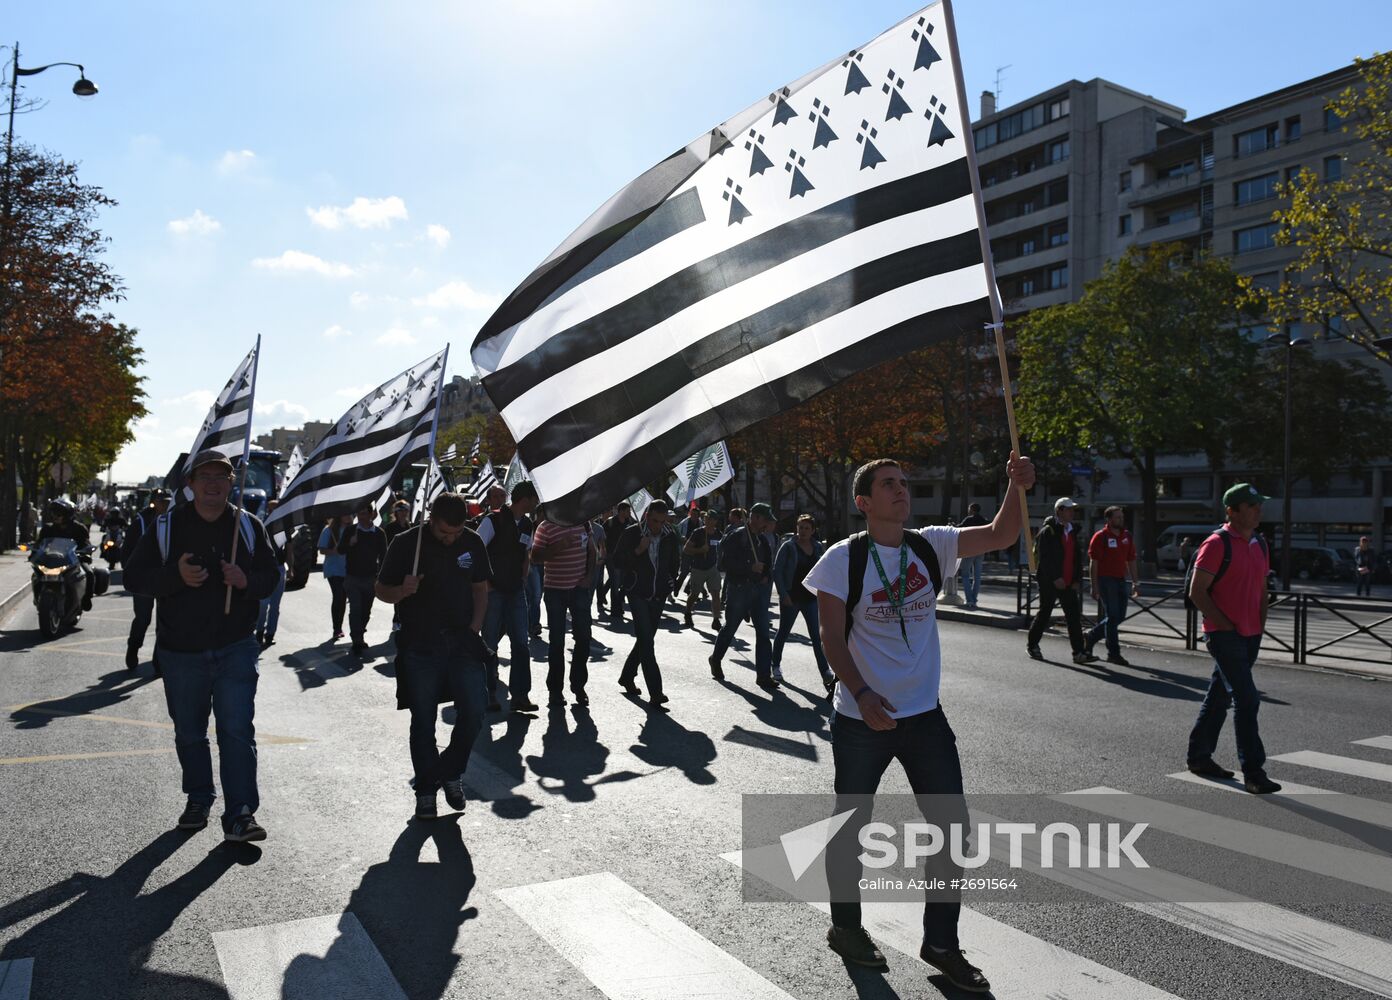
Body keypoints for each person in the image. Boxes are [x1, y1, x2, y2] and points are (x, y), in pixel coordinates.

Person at [803, 454, 1034, 993]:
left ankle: (941, 944)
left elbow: (1001, 534)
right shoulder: (843, 559)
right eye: (888, 485)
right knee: (852, 825)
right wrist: (861, 695)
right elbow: (831, 638)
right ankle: (846, 926)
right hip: (862, 717)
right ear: (864, 502)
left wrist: (1015, 486)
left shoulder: (931, 544)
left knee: (951, 829)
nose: (901, 491)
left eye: (904, 483)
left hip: (925, 716)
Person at [124, 450, 279, 842]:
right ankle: (198, 796)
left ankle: (241, 813)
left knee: (236, 730)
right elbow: (134, 577)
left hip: (236, 646)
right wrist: (174, 576)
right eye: (205, 476)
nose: (213, 483)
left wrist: (245, 581)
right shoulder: (165, 527)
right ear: (190, 484)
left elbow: (272, 575)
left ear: (232, 484)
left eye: (222, 477)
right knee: (190, 732)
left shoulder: (248, 526)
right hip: (181, 651)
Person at [375, 492, 494, 820]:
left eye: (456, 532)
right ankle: (426, 791)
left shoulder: (472, 542)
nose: (450, 538)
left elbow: (481, 588)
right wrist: (401, 591)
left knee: (475, 711)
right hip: (420, 644)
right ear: (431, 518)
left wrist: (475, 628)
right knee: (423, 720)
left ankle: (450, 771)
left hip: (462, 642)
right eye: (444, 532)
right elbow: (381, 588)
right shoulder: (405, 543)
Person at [1186, 483, 1280, 795]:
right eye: (1251, 506)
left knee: (1219, 696)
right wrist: (1224, 625)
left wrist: (1260, 625)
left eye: (1259, 505)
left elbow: (1262, 589)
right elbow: (1197, 591)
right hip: (1224, 635)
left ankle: (1199, 757)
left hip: (1250, 634)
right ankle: (1253, 771)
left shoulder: (1260, 543)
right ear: (1232, 511)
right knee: (1248, 699)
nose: (1258, 511)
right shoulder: (1217, 543)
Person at [478, 480, 540, 713]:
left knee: (521, 644)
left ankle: (520, 696)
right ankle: (488, 693)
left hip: (515, 592)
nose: (536, 504)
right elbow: (477, 550)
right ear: (525, 499)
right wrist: (485, 584)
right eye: (534, 499)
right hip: (493, 592)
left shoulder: (526, 524)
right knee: (490, 643)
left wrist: (523, 580)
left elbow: (526, 554)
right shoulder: (492, 520)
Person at [614, 498, 681, 708]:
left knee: (645, 639)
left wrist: (670, 581)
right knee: (647, 641)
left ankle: (627, 676)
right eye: (654, 521)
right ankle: (656, 692)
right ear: (646, 516)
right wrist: (637, 551)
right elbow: (616, 560)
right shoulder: (632, 533)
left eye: (662, 522)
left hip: (658, 595)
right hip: (637, 593)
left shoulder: (670, 536)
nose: (658, 526)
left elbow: (674, 563)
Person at [530, 509, 600, 706]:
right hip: (555, 590)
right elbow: (535, 557)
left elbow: (592, 552)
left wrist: (588, 578)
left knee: (584, 638)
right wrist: (558, 547)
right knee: (557, 642)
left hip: (579, 589)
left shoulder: (583, 523)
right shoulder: (545, 527)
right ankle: (555, 691)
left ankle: (578, 686)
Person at [709, 502, 778, 692]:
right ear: (755, 518)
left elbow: (769, 564)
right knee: (730, 628)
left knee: (764, 633)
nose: (766, 524)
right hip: (739, 589)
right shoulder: (736, 536)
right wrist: (749, 568)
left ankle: (764, 675)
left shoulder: (762, 540)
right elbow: (724, 564)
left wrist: (765, 576)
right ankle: (715, 659)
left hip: (759, 592)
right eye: (765, 519)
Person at [1026, 497, 1094, 664]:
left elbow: (1076, 558)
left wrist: (1078, 578)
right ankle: (1032, 645)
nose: (1073, 512)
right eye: (1069, 509)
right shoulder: (1047, 531)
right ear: (1059, 511)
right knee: (1045, 613)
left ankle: (1078, 652)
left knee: (1073, 616)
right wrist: (1055, 578)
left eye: (1073, 509)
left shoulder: (1072, 531)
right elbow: (1045, 558)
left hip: (1069, 582)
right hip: (1050, 581)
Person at [772, 514, 833, 694]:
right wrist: (783, 594)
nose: (803, 531)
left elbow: (824, 570)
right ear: (796, 528)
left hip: (811, 599)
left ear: (813, 530)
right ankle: (775, 665)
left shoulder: (818, 547)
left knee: (817, 637)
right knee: (783, 632)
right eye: (800, 527)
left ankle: (825, 672)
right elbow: (777, 571)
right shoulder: (788, 547)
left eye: (807, 528)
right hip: (791, 598)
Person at [122, 488, 172, 672]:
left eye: (167, 501)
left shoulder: (174, 522)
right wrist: (132, 573)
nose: (165, 505)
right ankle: (133, 646)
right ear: (154, 502)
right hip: (144, 578)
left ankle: (159, 660)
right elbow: (127, 552)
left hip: (166, 579)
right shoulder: (140, 523)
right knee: (143, 618)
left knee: (164, 621)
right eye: (161, 501)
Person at [1084, 506, 1141, 666]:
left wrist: (1136, 582)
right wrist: (1094, 586)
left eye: (1122, 517)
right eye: (1117, 517)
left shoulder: (1127, 536)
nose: (1121, 520)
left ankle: (1091, 636)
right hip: (1105, 580)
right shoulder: (1100, 536)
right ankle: (1113, 653)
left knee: (1118, 617)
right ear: (1108, 520)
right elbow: (1093, 563)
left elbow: (1131, 560)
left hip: (1120, 580)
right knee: (1113, 615)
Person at [344, 502, 388, 655]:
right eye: (359, 514)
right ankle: (356, 638)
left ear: (371, 515)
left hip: (370, 578)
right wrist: (350, 543)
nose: (361, 517)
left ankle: (360, 632)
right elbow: (341, 549)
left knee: (366, 610)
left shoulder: (379, 533)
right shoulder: (351, 530)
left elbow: (384, 556)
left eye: (364, 513)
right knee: (355, 608)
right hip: (352, 577)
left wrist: (381, 577)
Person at [38, 497, 95, 610]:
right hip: (52, 560)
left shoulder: (79, 528)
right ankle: (38, 597)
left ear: (68, 515)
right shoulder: (47, 528)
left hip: (73, 560)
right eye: (53, 513)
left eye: (58, 514)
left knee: (89, 573)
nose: (55, 516)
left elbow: (85, 544)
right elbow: (39, 544)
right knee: (36, 574)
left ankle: (86, 599)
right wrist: (35, 552)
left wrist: (86, 553)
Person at [682, 510, 723, 630]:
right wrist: (700, 550)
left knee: (716, 594)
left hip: (712, 568)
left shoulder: (718, 534)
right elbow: (686, 549)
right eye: (706, 518)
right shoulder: (698, 533)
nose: (708, 521)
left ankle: (716, 619)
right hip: (698, 568)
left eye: (711, 519)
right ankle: (688, 612)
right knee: (694, 594)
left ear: (715, 521)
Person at [256, 498, 288, 649]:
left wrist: (292, 567)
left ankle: (270, 634)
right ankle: (259, 631)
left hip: (280, 568)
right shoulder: (262, 526)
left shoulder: (284, 528)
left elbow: (290, 549)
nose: (274, 512)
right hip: (264, 569)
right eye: (271, 509)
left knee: (275, 605)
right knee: (263, 604)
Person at [318, 513, 352, 641]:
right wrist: (335, 551)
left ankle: (340, 626)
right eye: (346, 514)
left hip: (348, 570)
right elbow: (322, 550)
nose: (349, 516)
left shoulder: (353, 531)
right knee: (338, 596)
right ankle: (336, 629)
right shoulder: (329, 530)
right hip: (333, 570)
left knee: (343, 598)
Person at [601, 502, 634, 623]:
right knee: (615, 581)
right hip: (611, 556)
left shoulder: (630, 523)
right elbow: (601, 537)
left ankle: (603, 593)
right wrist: (603, 551)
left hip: (624, 557)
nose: (629, 513)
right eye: (627, 511)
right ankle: (615, 608)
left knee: (622, 580)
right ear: (621, 511)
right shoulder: (610, 522)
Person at [956, 503, 988, 609]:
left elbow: (958, 528)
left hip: (969, 550)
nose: (968, 510)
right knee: (977, 577)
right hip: (981, 550)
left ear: (972, 510)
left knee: (965, 575)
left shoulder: (968, 520)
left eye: (969, 508)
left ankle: (969, 599)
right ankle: (974, 599)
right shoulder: (984, 520)